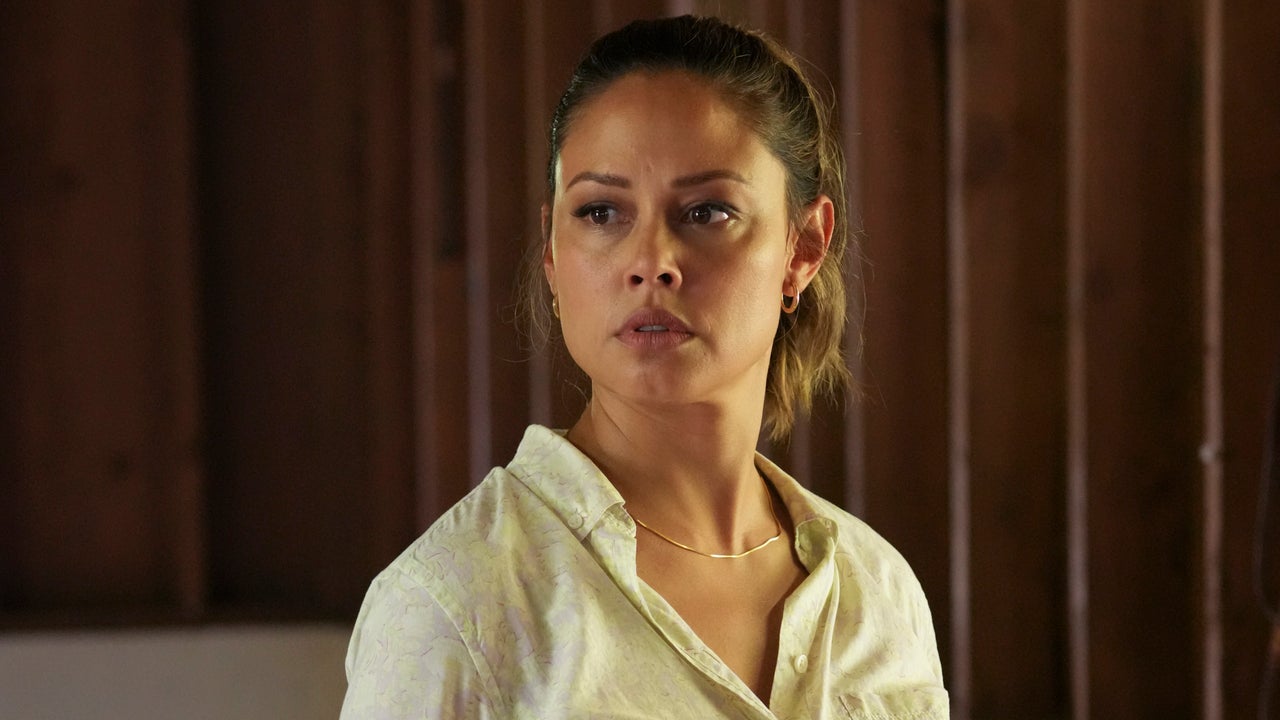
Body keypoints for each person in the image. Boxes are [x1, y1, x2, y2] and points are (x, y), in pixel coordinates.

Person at [341, 14, 947, 719]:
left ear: (803, 248)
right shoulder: (457, 608)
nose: (651, 262)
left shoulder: (878, 594)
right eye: (601, 212)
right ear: (552, 252)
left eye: (707, 212)